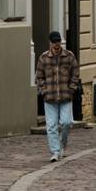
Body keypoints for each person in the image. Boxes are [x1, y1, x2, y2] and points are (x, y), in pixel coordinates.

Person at [35, 30, 80, 162]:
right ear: (50, 43)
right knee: (51, 126)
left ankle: (62, 144)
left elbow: (75, 74)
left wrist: (72, 89)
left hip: (66, 96)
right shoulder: (43, 58)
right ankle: (55, 151)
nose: (56, 45)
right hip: (49, 98)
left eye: (58, 42)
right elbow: (39, 77)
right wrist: (43, 90)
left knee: (66, 122)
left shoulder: (69, 56)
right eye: (54, 42)